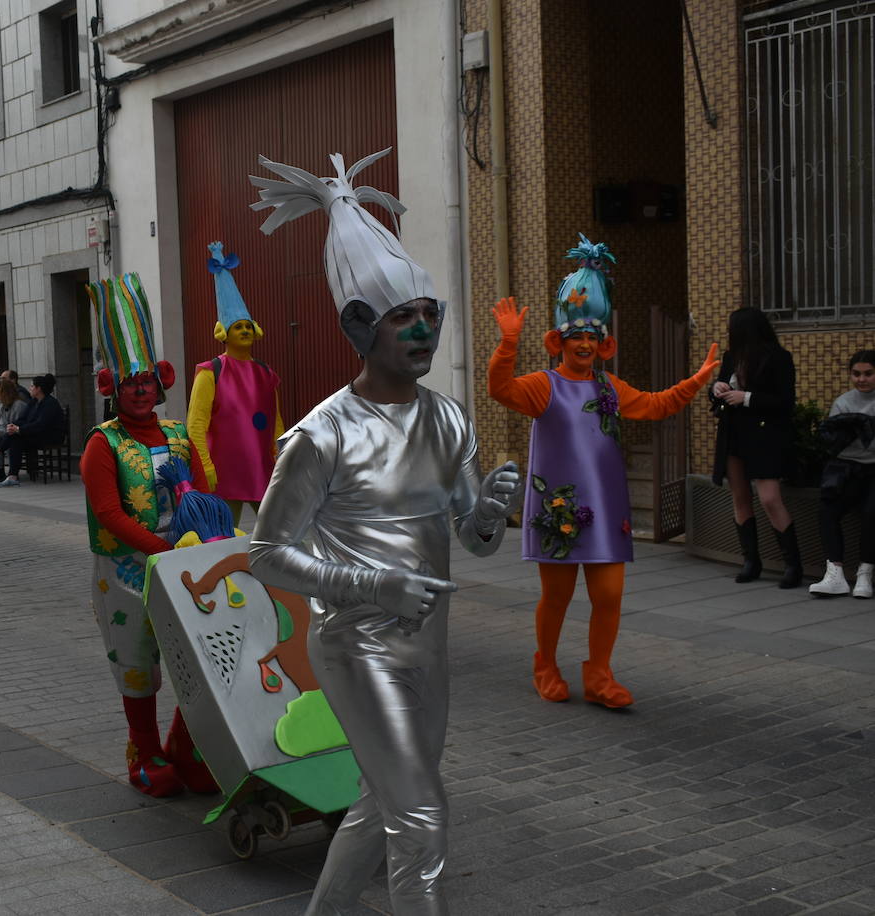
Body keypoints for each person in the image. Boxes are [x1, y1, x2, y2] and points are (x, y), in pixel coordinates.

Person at [247, 150, 520, 915]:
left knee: (383, 803)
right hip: (355, 647)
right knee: (421, 817)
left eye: (431, 313)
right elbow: (266, 555)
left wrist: (490, 512)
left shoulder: (448, 419)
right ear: (360, 326)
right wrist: (374, 585)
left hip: (427, 646)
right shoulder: (322, 435)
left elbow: (473, 539)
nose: (425, 328)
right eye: (404, 317)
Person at [487, 236, 720, 709]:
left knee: (609, 594)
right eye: (577, 337)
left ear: (603, 343)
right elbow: (500, 388)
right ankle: (545, 665)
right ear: (560, 342)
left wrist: (694, 382)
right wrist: (508, 343)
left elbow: (654, 405)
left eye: (593, 337)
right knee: (557, 596)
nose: (585, 344)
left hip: (605, 508)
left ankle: (599, 674)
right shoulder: (544, 386)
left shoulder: (609, 387)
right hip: (560, 508)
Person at [81, 271, 216, 797]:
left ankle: (188, 743)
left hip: (182, 564)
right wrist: (162, 550)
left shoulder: (179, 434)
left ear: (160, 384)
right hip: (126, 570)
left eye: (146, 382)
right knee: (138, 662)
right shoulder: (103, 443)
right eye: (130, 383)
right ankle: (144, 748)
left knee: (198, 653)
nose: (140, 391)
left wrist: (205, 540)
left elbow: (202, 492)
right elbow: (108, 513)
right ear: (113, 389)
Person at [186, 241, 283, 525]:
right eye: (237, 326)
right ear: (223, 333)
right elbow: (196, 424)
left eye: (247, 326)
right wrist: (205, 465)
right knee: (223, 535)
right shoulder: (211, 372)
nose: (244, 331)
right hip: (223, 473)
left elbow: (276, 422)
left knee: (277, 532)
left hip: (261, 468)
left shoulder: (266, 373)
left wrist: (281, 456)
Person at [709, 307, 801, 588]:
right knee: (740, 496)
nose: (730, 333)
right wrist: (716, 389)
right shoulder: (731, 357)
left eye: (734, 329)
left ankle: (793, 565)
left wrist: (747, 397)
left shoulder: (779, 358)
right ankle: (751, 561)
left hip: (764, 436)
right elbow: (719, 394)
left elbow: (785, 402)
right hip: (734, 433)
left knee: (770, 498)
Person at [809, 349, 875, 599]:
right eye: (856, 374)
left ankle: (865, 573)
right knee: (827, 510)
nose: (862, 379)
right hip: (847, 468)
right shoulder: (843, 402)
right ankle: (834, 572)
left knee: (872, 513)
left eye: (868, 373)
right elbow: (834, 442)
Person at [0, 373, 64, 487]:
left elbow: (40, 425)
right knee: (14, 437)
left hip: (49, 437)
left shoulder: (50, 403)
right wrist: (13, 426)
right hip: (35, 434)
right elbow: (23, 418)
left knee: (15, 436)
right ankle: (12, 475)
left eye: (32, 386)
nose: (30, 388)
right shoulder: (34, 402)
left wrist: (19, 429)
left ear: (39, 389)